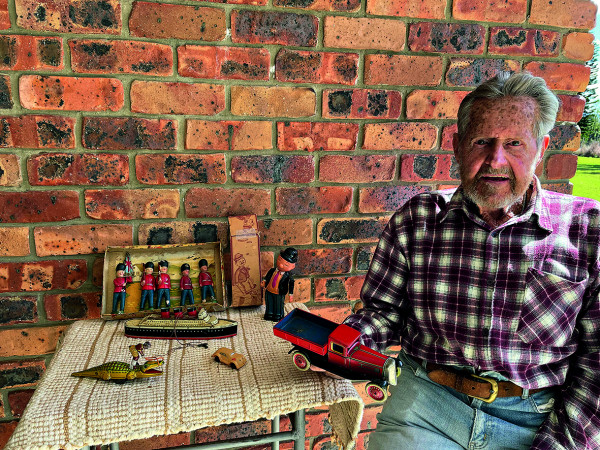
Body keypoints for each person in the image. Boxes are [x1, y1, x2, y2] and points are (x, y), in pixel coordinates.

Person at [344, 72, 600, 449]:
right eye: (481, 141)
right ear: (458, 146)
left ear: (540, 148)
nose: (496, 159)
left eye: (514, 143)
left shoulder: (588, 230)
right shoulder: (417, 220)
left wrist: (559, 443)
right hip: (427, 401)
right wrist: (345, 342)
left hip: (535, 417)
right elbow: (382, 313)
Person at [262, 247, 297, 321]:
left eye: (286, 265)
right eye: (279, 260)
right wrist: (264, 281)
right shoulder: (272, 270)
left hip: (279, 292)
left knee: (278, 304)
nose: (281, 265)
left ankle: (278, 315)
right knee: (269, 302)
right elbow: (267, 276)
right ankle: (269, 313)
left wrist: (290, 294)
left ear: (293, 266)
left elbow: (291, 284)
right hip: (269, 290)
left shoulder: (288, 276)